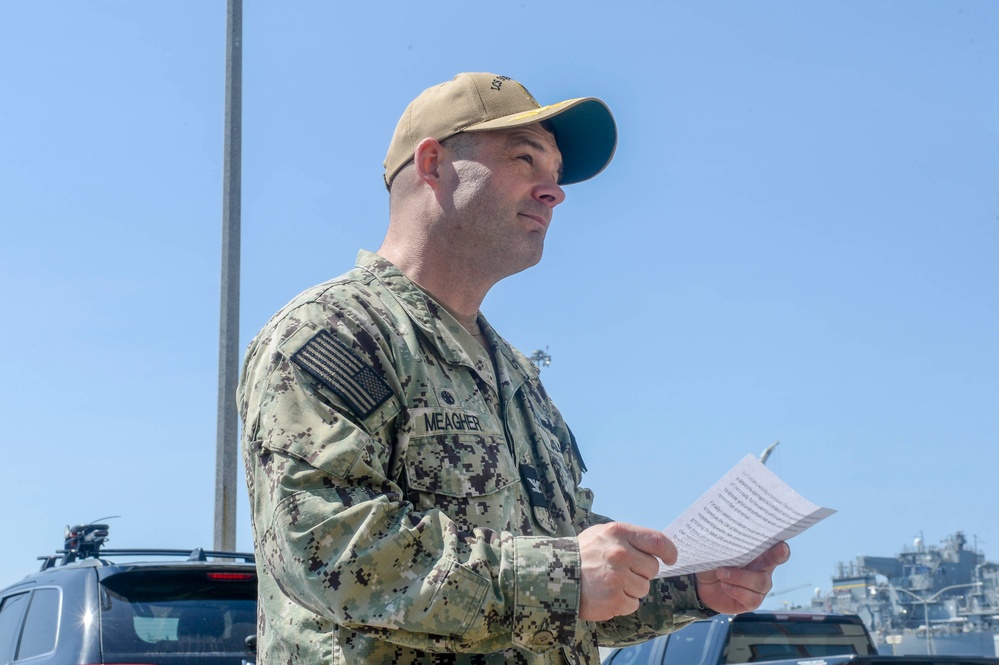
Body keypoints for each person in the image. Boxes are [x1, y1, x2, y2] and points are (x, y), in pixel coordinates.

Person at [238, 72, 789, 665]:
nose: (553, 192)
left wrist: (694, 584)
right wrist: (565, 579)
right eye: (526, 161)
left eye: (554, 176)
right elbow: (328, 549)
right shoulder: (334, 333)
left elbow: (569, 560)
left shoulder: (515, 375)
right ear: (432, 164)